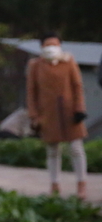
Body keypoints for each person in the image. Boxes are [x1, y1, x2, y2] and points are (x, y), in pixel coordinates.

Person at [26, 32, 89, 201]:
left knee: (76, 149)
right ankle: (54, 185)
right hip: (48, 114)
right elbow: (31, 92)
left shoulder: (69, 62)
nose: (52, 48)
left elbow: (77, 86)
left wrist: (79, 108)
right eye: (48, 45)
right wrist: (34, 115)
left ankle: (81, 184)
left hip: (70, 112)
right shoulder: (35, 65)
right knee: (53, 151)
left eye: (55, 45)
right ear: (41, 47)